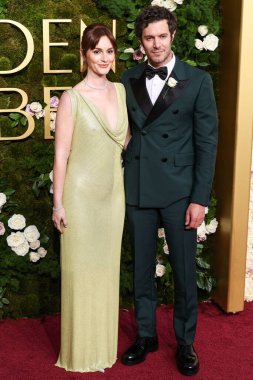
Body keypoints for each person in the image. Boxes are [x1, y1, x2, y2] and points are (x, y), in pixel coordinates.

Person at [121, 6, 218, 376]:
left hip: (180, 192)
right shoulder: (128, 79)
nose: (156, 44)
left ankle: (186, 343)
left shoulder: (197, 80)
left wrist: (200, 198)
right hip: (139, 187)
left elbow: (207, 144)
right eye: (149, 38)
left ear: (173, 36)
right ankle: (146, 335)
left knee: (183, 272)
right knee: (141, 270)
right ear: (141, 41)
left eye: (162, 36)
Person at [52, 23, 129, 372]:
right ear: (84, 55)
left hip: (113, 197)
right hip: (80, 198)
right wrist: (59, 203)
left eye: (109, 51)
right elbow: (61, 153)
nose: (103, 57)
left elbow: (122, 140)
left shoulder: (121, 91)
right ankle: (81, 353)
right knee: (81, 273)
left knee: (105, 272)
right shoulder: (72, 98)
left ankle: (103, 350)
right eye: (96, 50)